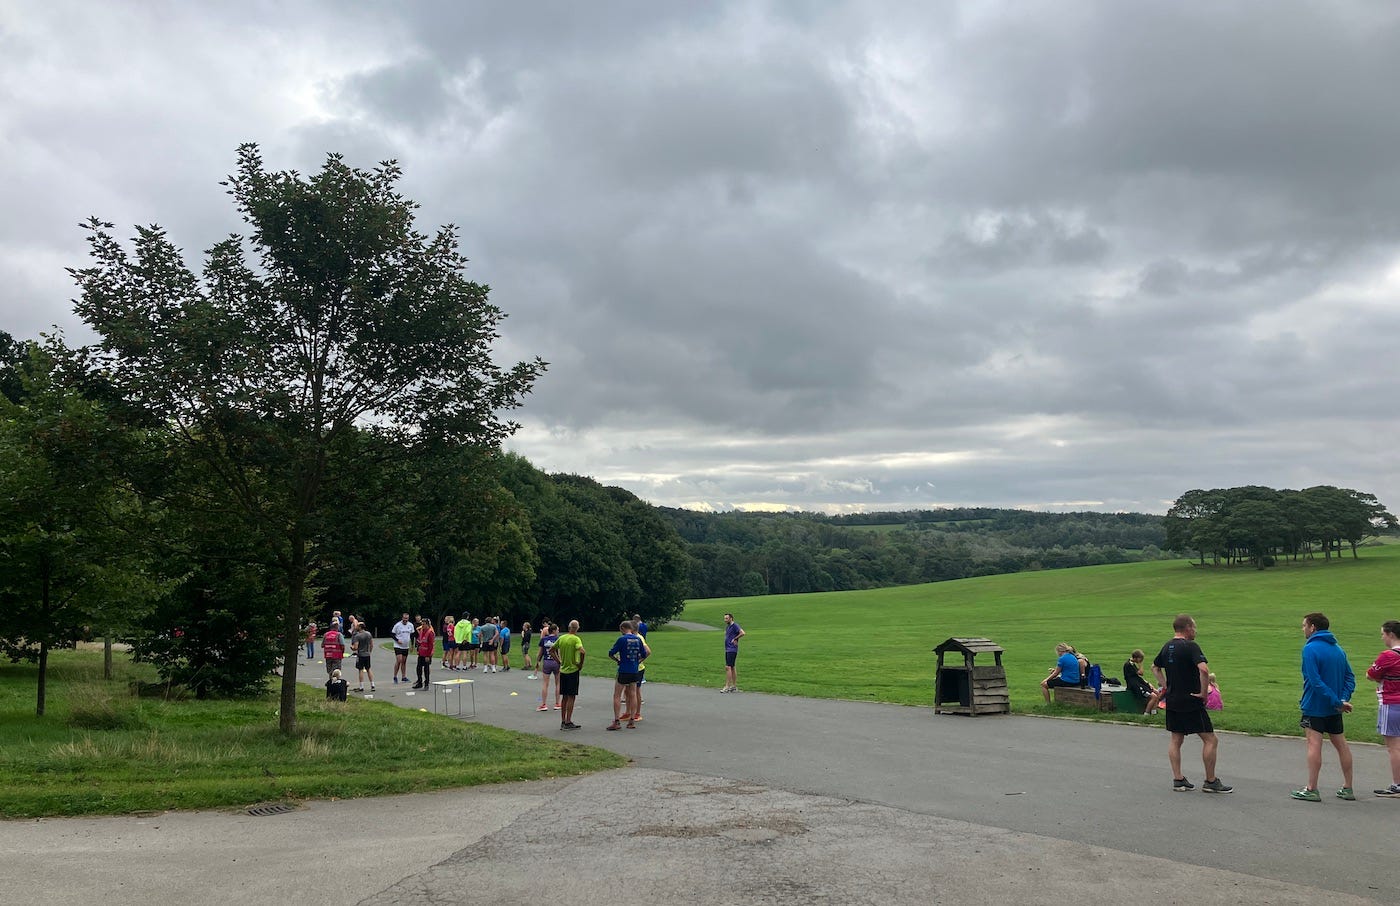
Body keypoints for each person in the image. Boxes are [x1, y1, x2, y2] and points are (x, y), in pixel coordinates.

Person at [1151, 614, 1232, 793]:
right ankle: (1210, 781)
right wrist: (1204, 692)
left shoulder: (1167, 646)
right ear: (1187, 628)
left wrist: (1166, 686)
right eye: (1194, 627)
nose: (1195, 631)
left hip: (1173, 699)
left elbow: (1155, 667)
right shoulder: (1190, 646)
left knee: (1176, 738)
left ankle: (1178, 778)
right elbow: (1204, 669)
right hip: (1191, 699)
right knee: (1210, 739)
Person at [1292, 612, 1355, 802]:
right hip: (1335, 708)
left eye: (1304, 626)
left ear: (1313, 627)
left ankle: (1311, 788)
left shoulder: (1310, 649)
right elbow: (1349, 678)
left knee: (1314, 745)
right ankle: (1348, 787)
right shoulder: (1338, 649)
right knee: (1341, 744)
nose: (1303, 629)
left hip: (1315, 706)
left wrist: (1335, 701)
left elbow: (1315, 681)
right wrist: (1342, 700)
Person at [1365, 620, 1400, 796]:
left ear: (1391, 634)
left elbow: (1371, 674)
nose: (1382, 637)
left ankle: (1397, 784)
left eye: (1383, 634)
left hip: (1391, 702)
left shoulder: (1388, 656)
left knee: (1394, 746)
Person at [607, 621, 646, 730]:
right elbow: (644, 654)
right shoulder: (638, 639)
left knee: (617, 695)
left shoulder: (622, 639)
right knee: (633, 694)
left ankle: (616, 721)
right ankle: (632, 720)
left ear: (623, 628)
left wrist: (617, 660)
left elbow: (611, 653)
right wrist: (637, 661)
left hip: (623, 669)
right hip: (634, 670)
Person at [555, 620, 586, 730]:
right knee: (572, 696)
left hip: (563, 670)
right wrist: (580, 664)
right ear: (577, 628)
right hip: (573, 670)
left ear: (569, 627)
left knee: (564, 697)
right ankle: (568, 721)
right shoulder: (576, 639)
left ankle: (563, 720)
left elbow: (551, 650)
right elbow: (582, 651)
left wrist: (559, 661)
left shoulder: (562, 638)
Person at [537, 623, 560, 712]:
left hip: (547, 661)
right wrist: (560, 662)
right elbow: (559, 652)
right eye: (557, 630)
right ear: (554, 630)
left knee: (545, 683)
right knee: (558, 683)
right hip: (556, 661)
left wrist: (538, 660)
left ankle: (543, 704)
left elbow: (540, 652)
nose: (558, 631)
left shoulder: (544, 640)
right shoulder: (558, 639)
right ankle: (557, 703)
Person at [721, 612, 745, 693]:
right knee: (732, 667)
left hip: (732, 649)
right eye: (724, 618)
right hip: (728, 649)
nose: (725, 620)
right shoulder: (728, 627)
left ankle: (727, 686)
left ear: (731, 618)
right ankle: (734, 686)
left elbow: (742, 633)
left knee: (727, 667)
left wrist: (735, 639)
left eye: (726, 618)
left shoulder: (735, 625)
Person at [412, 616, 436, 690]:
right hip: (421, 652)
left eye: (424, 624)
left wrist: (428, 655)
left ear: (428, 624)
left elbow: (431, 645)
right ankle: (419, 682)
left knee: (426, 669)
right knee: (418, 668)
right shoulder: (422, 630)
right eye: (422, 624)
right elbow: (420, 640)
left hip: (427, 654)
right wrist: (418, 648)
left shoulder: (430, 632)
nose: (422, 626)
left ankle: (426, 683)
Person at [351, 621, 375, 693]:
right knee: (368, 669)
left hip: (360, 655)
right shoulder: (368, 634)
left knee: (360, 670)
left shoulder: (357, 636)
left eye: (357, 626)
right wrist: (369, 652)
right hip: (367, 654)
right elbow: (371, 644)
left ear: (360, 627)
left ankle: (361, 686)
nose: (356, 627)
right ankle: (372, 685)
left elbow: (356, 647)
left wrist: (352, 648)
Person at [391, 613, 414, 684]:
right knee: (399, 660)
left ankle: (403, 677)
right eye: (404, 618)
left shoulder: (410, 625)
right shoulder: (397, 625)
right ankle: (395, 676)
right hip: (398, 646)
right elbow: (392, 634)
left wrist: (412, 645)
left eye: (406, 618)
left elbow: (412, 636)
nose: (405, 620)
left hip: (405, 646)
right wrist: (397, 640)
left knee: (404, 661)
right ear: (402, 618)